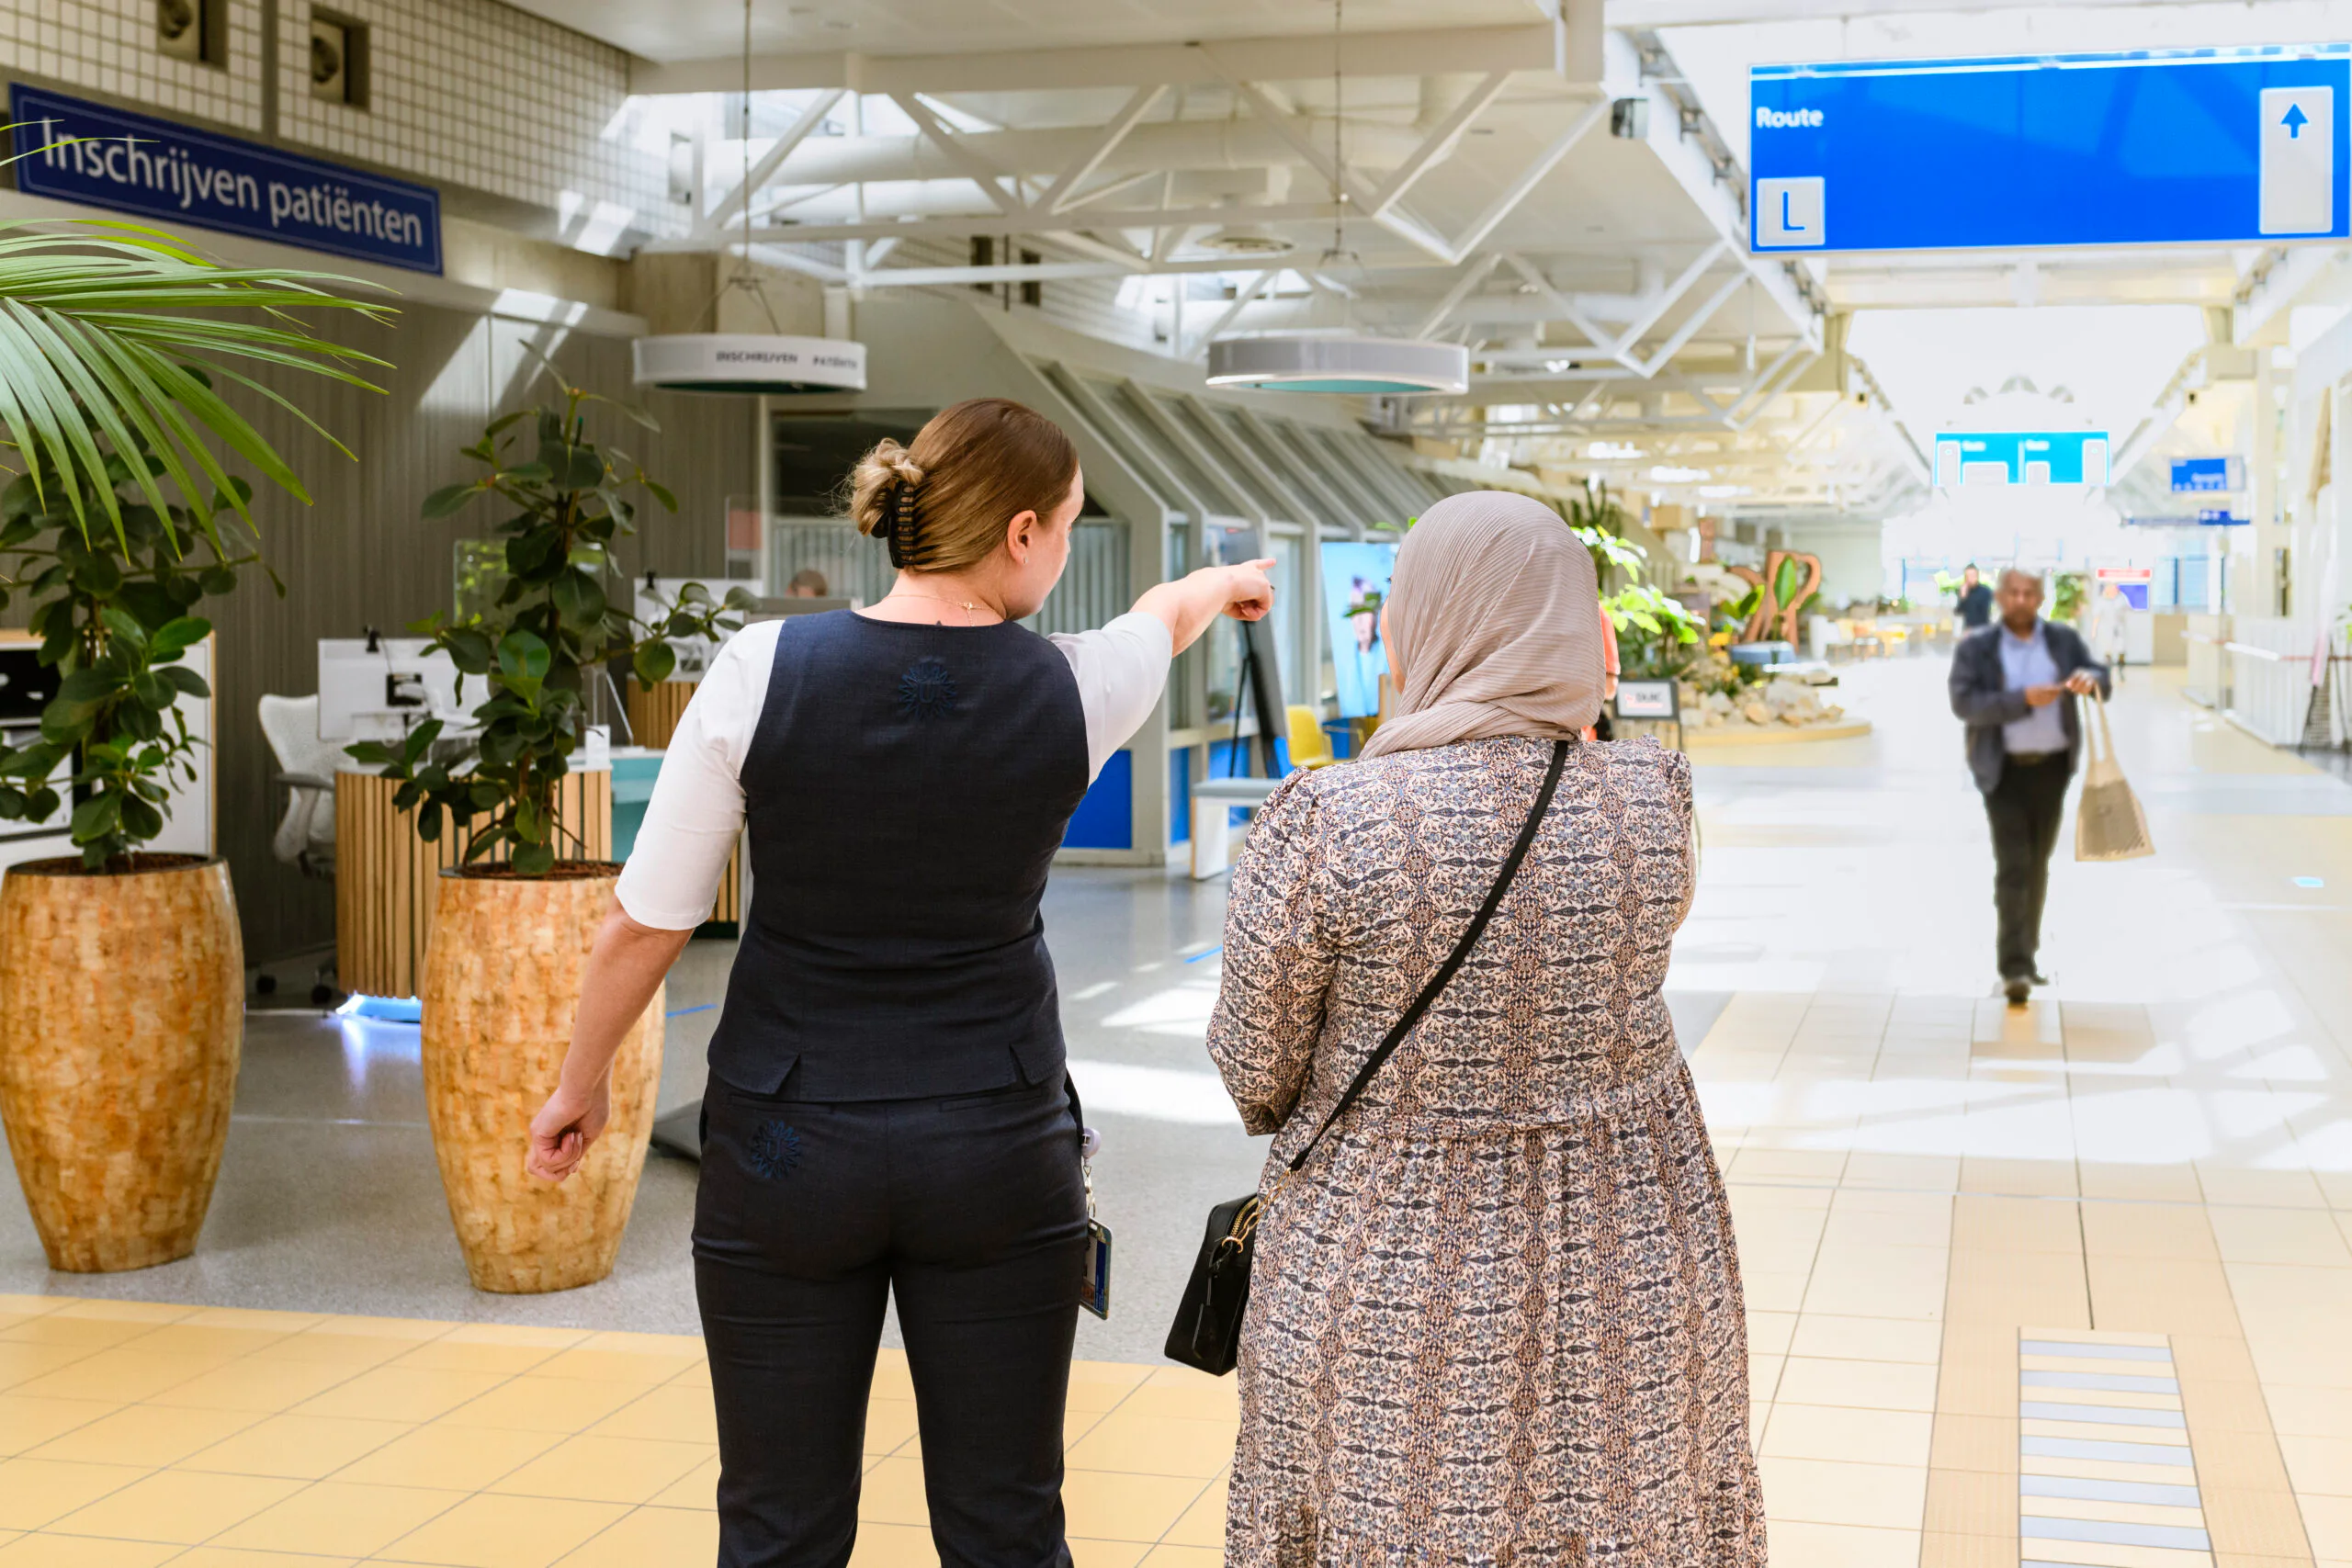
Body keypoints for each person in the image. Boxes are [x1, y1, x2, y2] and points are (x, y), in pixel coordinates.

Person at [522, 397, 1275, 1565]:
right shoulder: (1073, 690)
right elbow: (1158, 620)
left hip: (783, 1147)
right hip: (995, 1145)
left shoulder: (761, 665)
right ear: (1022, 533)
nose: (1065, 552)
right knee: (1004, 1522)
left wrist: (583, 1083)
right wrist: (1222, 584)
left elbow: (646, 922)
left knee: (777, 1523)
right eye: (1068, 527)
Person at [1205, 491, 1763, 1566]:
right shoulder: (1656, 798)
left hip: (1390, 1269)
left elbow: (1253, 1073)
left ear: (1424, 621)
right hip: (1636, 1250)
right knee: (1626, 1513)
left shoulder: (1332, 820)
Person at [1949, 568, 2109, 1006]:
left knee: (2038, 862)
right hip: (2002, 771)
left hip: (2053, 769)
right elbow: (1964, 703)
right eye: (2013, 593)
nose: (2021, 600)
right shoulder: (1978, 648)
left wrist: (2091, 680)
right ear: (1999, 597)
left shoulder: (2062, 640)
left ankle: (2027, 956)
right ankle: (2014, 966)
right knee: (2015, 863)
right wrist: (2022, 700)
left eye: (2030, 593)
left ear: (2041, 598)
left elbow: (2099, 672)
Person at [1956, 563, 1994, 630]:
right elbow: (1959, 611)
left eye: (1972, 576)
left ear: (1977, 576)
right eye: (1967, 576)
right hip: (1968, 629)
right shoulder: (1963, 591)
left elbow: (1984, 613)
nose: (1969, 579)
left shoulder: (1985, 591)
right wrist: (1963, 597)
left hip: (1983, 629)